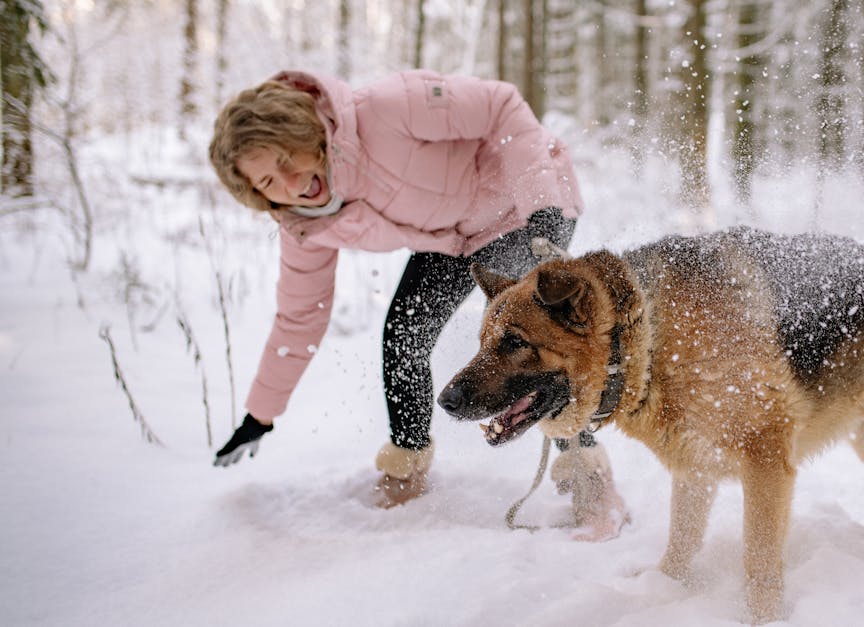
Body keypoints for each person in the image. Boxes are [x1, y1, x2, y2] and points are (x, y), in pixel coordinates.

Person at [207, 69, 628, 538]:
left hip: (521, 207)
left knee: (544, 340)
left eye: (288, 157)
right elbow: (299, 317)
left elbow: (501, 105)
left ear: (305, 129)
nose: (290, 181)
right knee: (404, 336)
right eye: (268, 180)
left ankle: (591, 481)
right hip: (454, 237)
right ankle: (405, 469)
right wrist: (259, 414)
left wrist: (541, 209)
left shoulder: (384, 109)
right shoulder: (306, 223)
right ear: (257, 194)